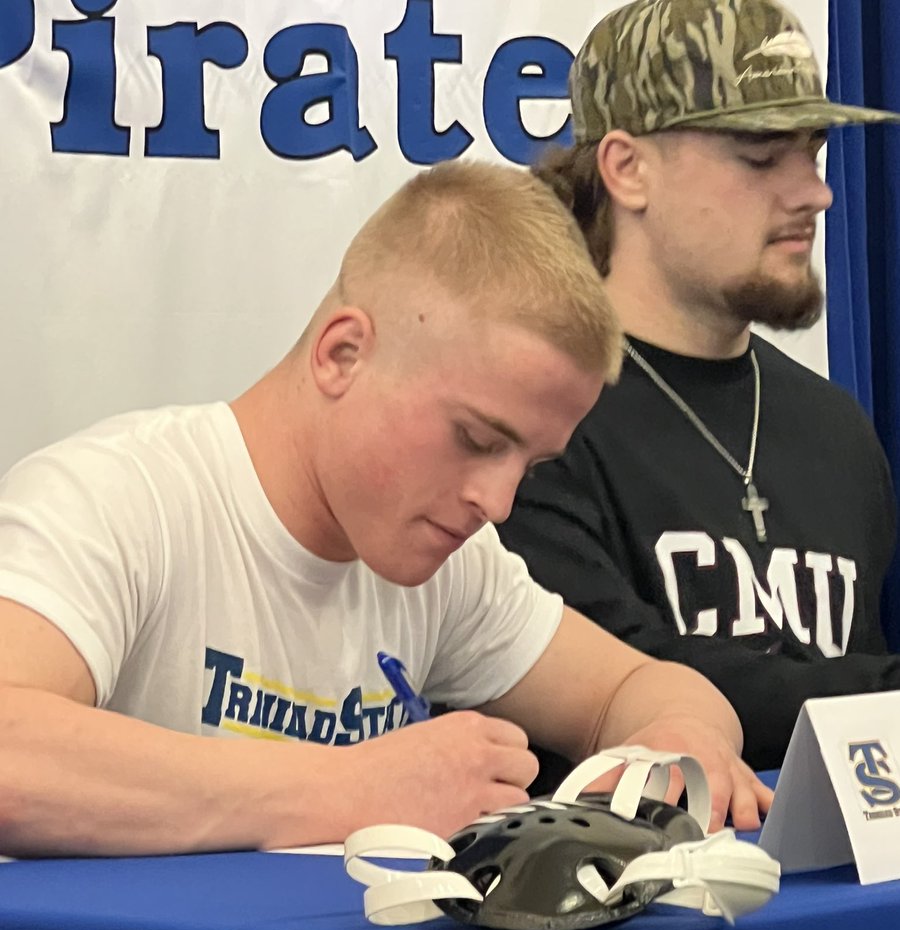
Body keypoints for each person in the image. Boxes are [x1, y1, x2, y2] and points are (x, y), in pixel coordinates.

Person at [0, 160, 772, 858]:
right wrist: (348, 789)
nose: (497, 503)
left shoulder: (453, 572)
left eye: (528, 465)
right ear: (343, 354)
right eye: (474, 438)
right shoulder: (120, 499)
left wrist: (685, 743)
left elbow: (637, 689)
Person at [498, 0, 900, 779]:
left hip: (837, 898)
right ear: (626, 169)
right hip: (619, 888)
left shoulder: (836, 431)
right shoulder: (530, 412)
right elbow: (612, 676)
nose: (814, 194)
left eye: (812, 152)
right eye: (760, 157)